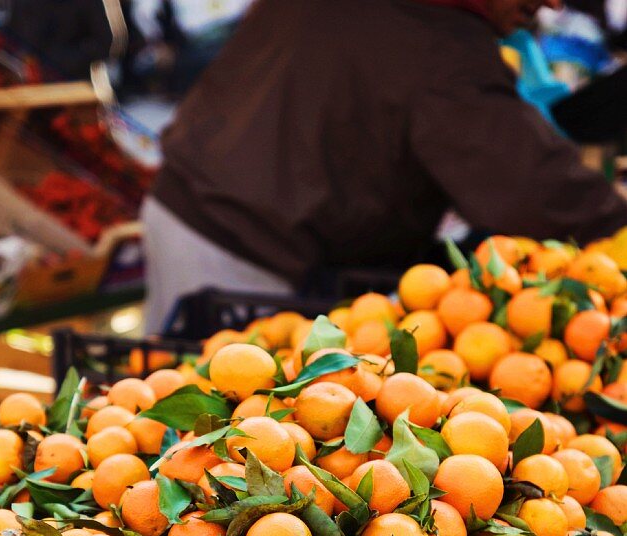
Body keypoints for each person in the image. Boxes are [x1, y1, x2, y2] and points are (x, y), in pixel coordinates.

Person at [141, 0, 627, 333]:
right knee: (222, 429)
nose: (553, 4)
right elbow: (531, 188)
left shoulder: (413, 20)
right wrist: (615, 227)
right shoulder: (438, 42)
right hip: (244, 249)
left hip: (198, 204)